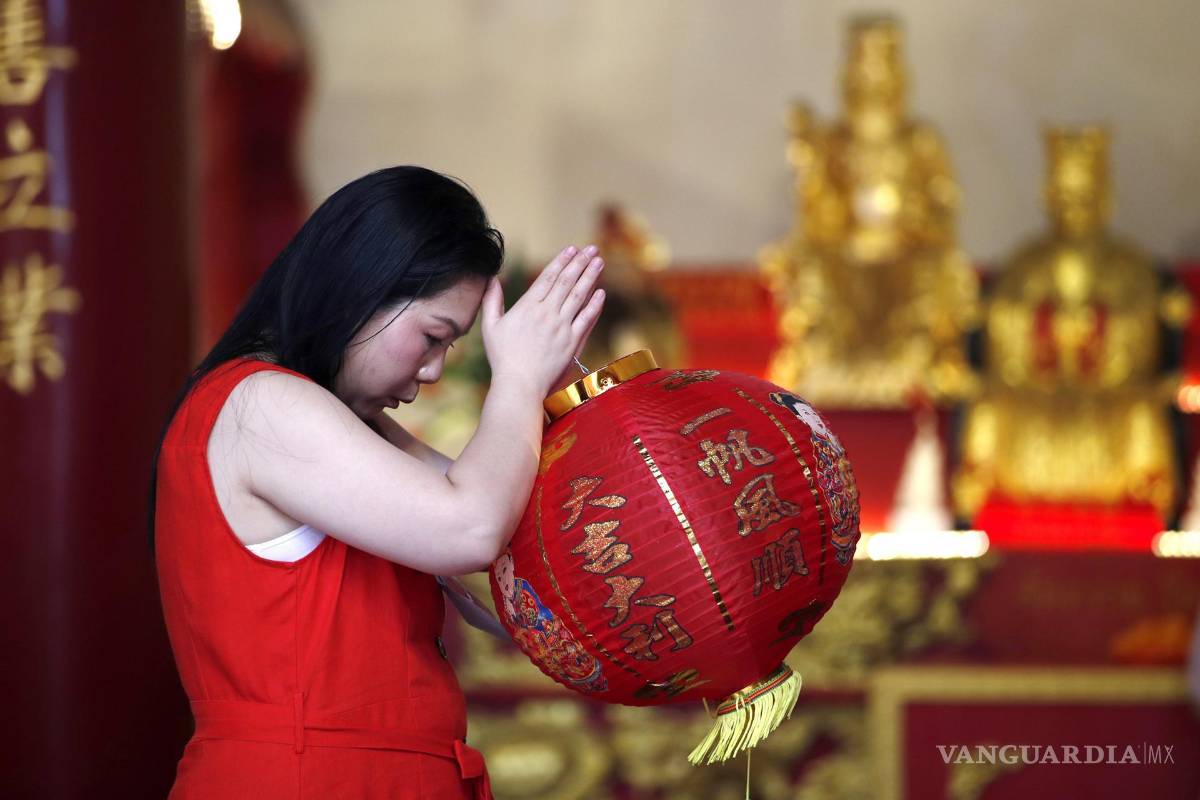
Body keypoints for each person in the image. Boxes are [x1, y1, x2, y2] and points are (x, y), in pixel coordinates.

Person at [151, 166, 606, 799]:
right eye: (432, 336)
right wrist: (518, 383)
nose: (433, 371)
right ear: (363, 287)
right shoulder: (260, 404)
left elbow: (512, 523)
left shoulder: (337, 418)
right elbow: (471, 527)